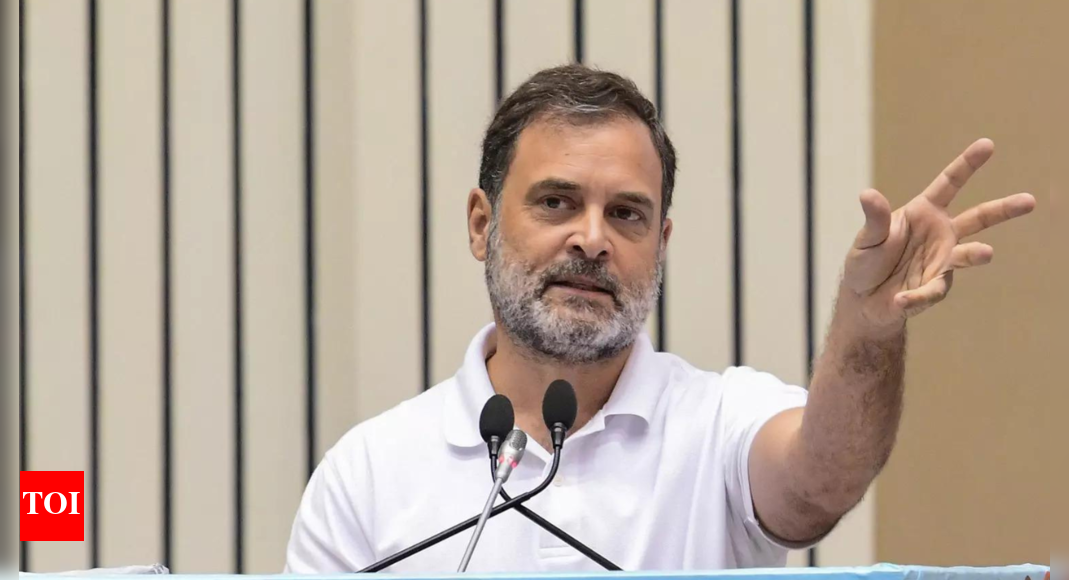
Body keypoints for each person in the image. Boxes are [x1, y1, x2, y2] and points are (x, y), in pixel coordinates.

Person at [283, 64, 1035, 573]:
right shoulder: (368, 475)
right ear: (482, 225)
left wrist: (866, 328)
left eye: (626, 214)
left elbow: (819, 482)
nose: (591, 239)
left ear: (661, 243)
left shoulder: (721, 420)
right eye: (556, 202)